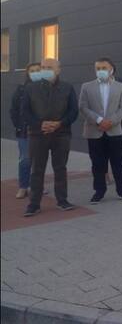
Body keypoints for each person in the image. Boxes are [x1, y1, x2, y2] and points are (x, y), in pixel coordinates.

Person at [21, 58, 78, 217]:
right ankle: (34, 204)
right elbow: (25, 112)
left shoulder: (67, 87)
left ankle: (62, 200)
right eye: (43, 67)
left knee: (60, 168)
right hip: (38, 135)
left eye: (49, 67)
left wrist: (60, 123)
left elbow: (73, 111)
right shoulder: (30, 88)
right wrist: (40, 124)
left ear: (58, 70)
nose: (45, 70)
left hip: (61, 134)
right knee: (37, 170)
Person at [79, 58, 122, 203]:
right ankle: (99, 191)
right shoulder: (86, 86)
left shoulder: (120, 86)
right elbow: (83, 106)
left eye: (104, 68)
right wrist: (98, 120)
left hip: (114, 130)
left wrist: (111, 122)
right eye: (98, 68)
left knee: (117, 162)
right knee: (97, 163)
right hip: (94, 130)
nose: (100, 71)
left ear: (111, 70)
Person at [10, 63, 41, 199]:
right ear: (27, 73)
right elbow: (13, 110)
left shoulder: (47, 88)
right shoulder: (21, 90)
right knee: (25, 159)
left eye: (37, 70)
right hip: (25, 131)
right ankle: (23, 187)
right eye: (32, 71)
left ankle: (37, 186)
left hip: (41, 131)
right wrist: (18, 125)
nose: (35, 73)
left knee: (39, 160)